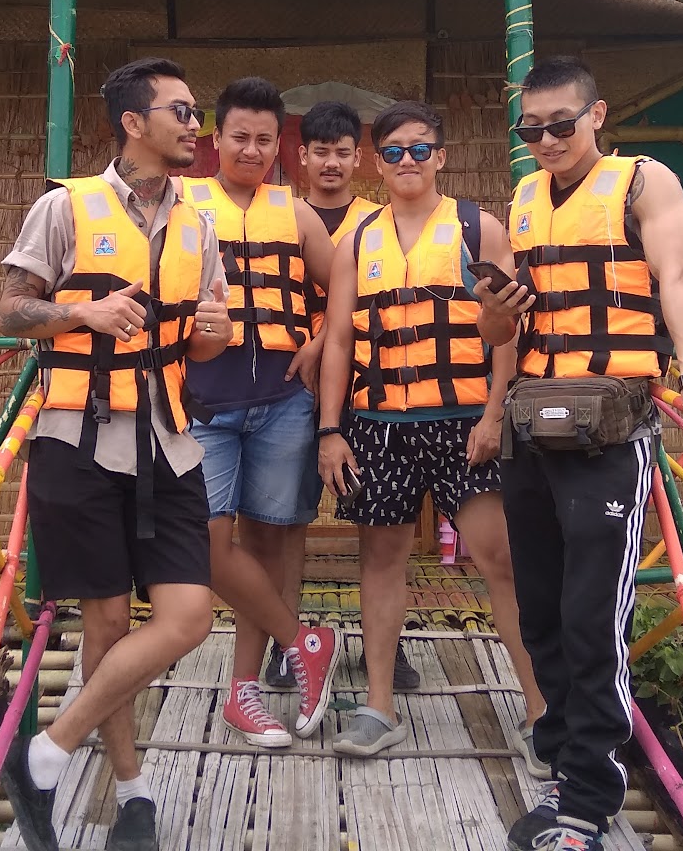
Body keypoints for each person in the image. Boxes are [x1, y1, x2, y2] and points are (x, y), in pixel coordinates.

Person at [477, 56, 683, 851]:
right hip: (532, 427)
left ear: (597, 116)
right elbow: (503, 335)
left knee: (595, 618)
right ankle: (564, 769)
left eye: (562, 124)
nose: (547, 140)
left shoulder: (642, 183)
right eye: (532, 129)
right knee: (542, 615)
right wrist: (494, 313)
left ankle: (590, 802)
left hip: (608, 432)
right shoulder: (524, 199)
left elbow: (681, 276)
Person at [0, 57, 231, 851]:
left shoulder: (198, 224)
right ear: (134, 124)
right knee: (103, 624)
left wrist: (211, 338)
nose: (196, 123)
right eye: (182, 110)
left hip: (166, 439)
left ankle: (46, 751)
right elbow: (10, 313)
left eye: (196, 110)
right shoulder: (64, 208)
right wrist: (84, 313)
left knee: (187, 617)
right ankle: (133, 793)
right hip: (79, 439)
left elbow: (200, 346)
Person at [315, 100, 546, 762]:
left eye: (420, 149)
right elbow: (337, 342)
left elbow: (508, 330)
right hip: (379, 422)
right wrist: (332, 430)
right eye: (393, 152)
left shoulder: (478, 227)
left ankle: (539, 712)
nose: (407, 161)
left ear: (441, 157)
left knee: (499, 558)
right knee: (380, 560)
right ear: (377, 163)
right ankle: (379, 706)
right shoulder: (356, 241)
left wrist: (495, 413)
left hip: (462, 422)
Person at [179, 77, 342, 748]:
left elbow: (347, 293)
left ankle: (243, 693)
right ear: (215, 140)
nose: (251, 149)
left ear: (282, 146)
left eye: (264, 139)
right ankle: (304, 641)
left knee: (269, 543)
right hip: (204, 404)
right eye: (238, 137)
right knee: (210, 545)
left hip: (281, 402)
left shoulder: (296, 214)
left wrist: (319, 338)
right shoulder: (182, 205)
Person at [287, 99, 421, 694]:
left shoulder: (381, 219)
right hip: (287, 391)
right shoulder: (279, 219)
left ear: (360, 158)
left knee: (383, 526)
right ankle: (285, 643)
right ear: (302, 157)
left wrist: (322, 340)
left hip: (372, 389)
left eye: (343, 152)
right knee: (281, 524)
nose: (332, 163)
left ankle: (382, 651)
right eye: (321, 152)